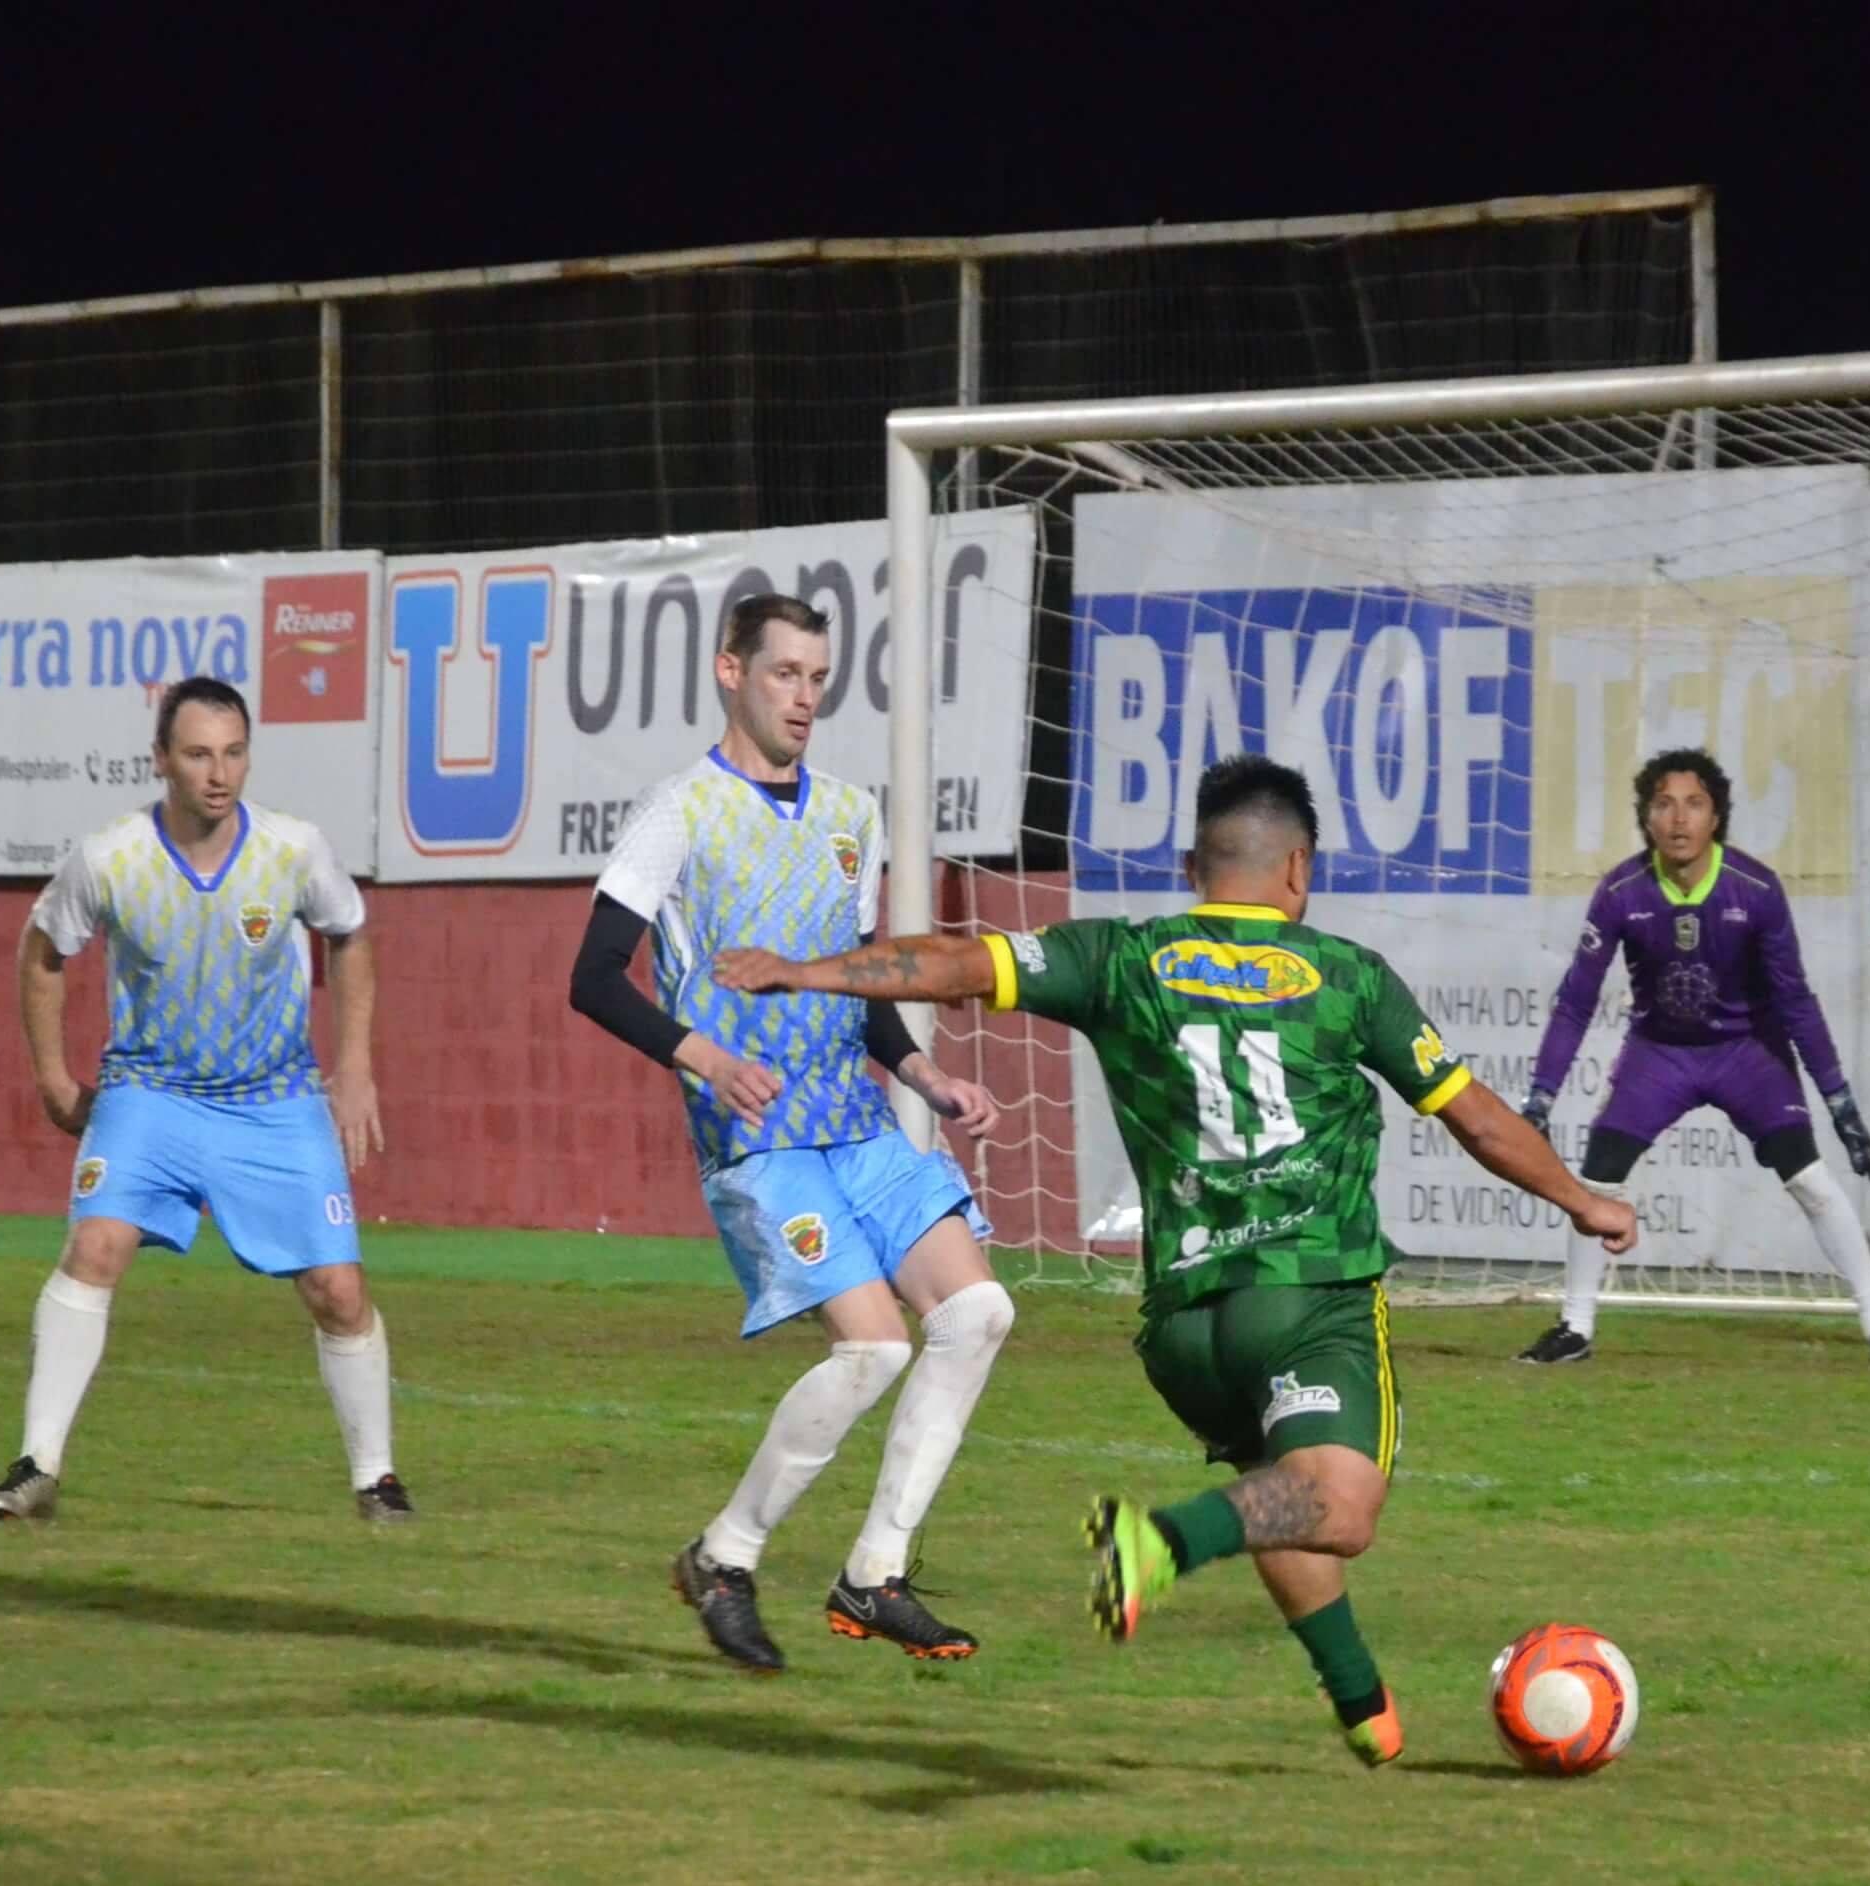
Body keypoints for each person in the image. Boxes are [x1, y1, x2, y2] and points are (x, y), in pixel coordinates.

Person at [714, 753, 1638, 1766]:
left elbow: (955, 965)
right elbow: (1479, 1119)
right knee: (1338, 1500)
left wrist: (806, 971)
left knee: (1272, 1490)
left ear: (1196, 863)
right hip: (1306, 1294)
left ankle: (1364, 1706)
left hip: (1186, 1330)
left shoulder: (1121, 957)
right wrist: (1582, 1200)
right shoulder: (1347, 977)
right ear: (1299, 870)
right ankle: (1159, 1547)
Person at [568, 592, 1013, 1675]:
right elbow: (589, 979)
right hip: (759, 1145)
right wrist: (702, 1055)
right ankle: (726, 1556)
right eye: (785, 674)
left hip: (857, 1128)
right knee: (872, 1348)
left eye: (818, 676)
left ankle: (875, 1574)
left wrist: (921, 1069)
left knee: (980, 1312)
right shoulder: (681, 811)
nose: (805, 696)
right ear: (731, 673)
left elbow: (858, 984)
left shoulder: (851, 814)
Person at [0, 677, 411, 1523]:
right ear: (161, 761)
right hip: (151, 1092)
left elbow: (349, 934)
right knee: (95, 1246)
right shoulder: (110, 857)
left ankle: (378, 1480)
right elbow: (42, 951)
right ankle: (36, 1466)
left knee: (339, 1291)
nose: (220, 774)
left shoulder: (292, 849)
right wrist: (55, 1078)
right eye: (199, 754)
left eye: (235, 753)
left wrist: (354, 1064)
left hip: (274, 1098)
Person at [1512, 748, 1870, 1368]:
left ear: (1717, 818)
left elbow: (1796, 1001)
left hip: (1748, 1052)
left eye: (1695, 804)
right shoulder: (1622, 892)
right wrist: (1541, 1094)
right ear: (1646, 818)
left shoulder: (1755, 891)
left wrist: (1839, 1101)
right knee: (1597, 1175)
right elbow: (1575, 1001)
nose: (1679, 819)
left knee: (1810, 1180)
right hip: (1659, 1055)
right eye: (1664, 804)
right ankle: (1575, 1326)